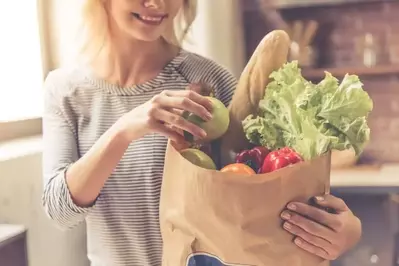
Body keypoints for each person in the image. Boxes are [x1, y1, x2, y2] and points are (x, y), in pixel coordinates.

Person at [41, 0, 362, 265]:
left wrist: (345, 229)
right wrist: (126, 128)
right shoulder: (66, 91)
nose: (157, 4)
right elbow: (59, 212)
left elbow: (263, 189)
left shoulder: (209, 81)